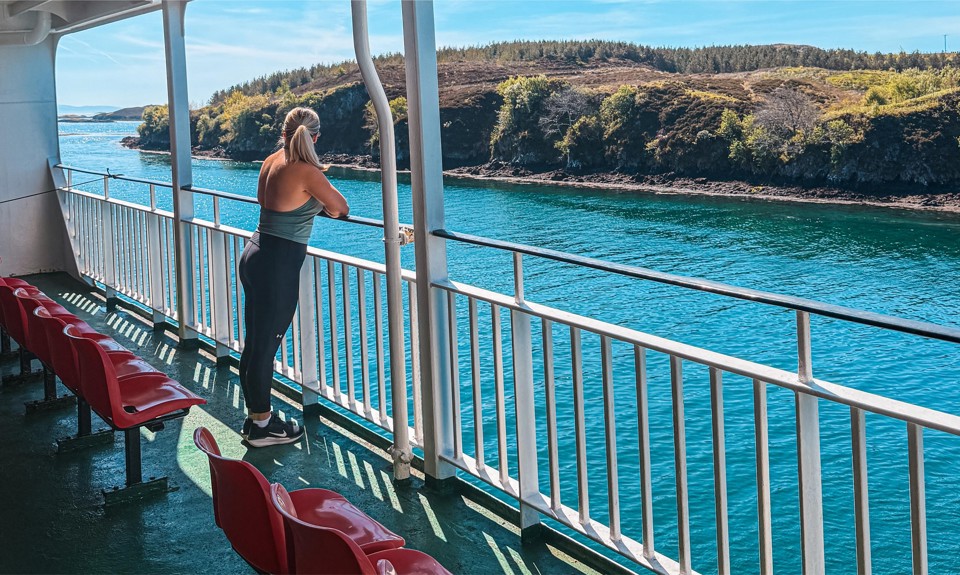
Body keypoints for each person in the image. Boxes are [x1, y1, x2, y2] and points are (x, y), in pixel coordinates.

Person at [238, 107, 349, 447]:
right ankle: (262, 426)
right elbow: (340, 208)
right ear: (314, 138)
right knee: (264, 348)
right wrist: (314, 202)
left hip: (254, 253)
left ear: (283, 134)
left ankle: (256, 417)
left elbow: (263, 199)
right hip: (278, 265)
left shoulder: (271, 161)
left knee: (255, 343)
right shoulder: (307, 171)